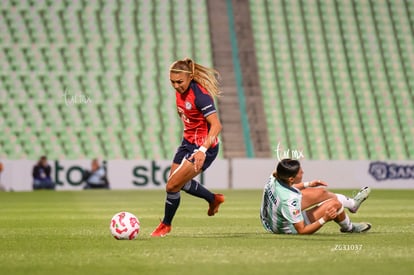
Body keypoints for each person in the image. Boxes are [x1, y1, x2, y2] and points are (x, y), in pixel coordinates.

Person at [151, 58, 225, 237]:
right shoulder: (181, 91)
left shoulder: (200, 96)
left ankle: (165, 225)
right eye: (172, 82)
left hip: (203, 147)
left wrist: (202, 150)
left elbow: (216, 126)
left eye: (179, 82)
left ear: (190, 77)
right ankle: (213, 198)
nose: (176, 86)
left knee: (172, 186)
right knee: (177, 185)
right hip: (187, 143)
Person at [260, 159, 371, 234]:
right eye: (300, 172)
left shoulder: (275, 176)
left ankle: (352, 204)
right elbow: (302, 231)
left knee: (321, 193)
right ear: (291, 179)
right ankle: (350, 228)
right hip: (282, 228)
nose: (303, 172)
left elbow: (286, 187)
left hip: (270, 217)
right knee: (335, 204)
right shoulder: (289, 200)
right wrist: (324, 219)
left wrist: (308, 184)